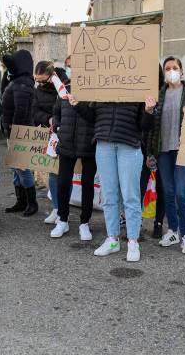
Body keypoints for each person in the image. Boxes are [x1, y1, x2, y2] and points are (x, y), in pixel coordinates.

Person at [69, 94, 156, 262]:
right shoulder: (103, 90)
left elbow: (146, 126)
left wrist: (149, 110)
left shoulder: (137, 90)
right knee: (109, 195)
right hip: (104, 146)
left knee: (130, 196)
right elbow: (92, 117)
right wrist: (78, 105)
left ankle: (132, 241)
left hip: (129, 147)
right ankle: (112, 239)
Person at [146, 56, 185, 253]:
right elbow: (152, 125)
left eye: (175, 67)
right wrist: (150, 151)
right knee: (168, 192)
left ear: (182, 71)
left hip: (183, 150)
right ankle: (173, 230)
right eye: (168, 68)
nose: (171, 71)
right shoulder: (158, 94)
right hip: (163, 150)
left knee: (180, 192)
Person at [49, 70, 97, 240]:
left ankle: (85, 222)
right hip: (67, 142)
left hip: (89, 143)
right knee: (63, 182)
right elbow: (56, 112)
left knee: (87, 184)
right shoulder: (64, 89)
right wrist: (55, 123)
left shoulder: (95, 91)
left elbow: (96, 117)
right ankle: (63, 219)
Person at [1, 50, 38, 217]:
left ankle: (31, 203)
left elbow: (21, 112)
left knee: (22, 168)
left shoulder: (22, 84)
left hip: (19, 132)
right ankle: (21, 200)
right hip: (15, 132)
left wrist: (15, 132)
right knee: (16, 168)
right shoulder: (18, 81)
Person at [31, 61, 62, 223]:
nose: (40, 83)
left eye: (43, 80)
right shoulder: (38, 90)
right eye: (37, 80)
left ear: (52, 75)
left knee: (66, 174)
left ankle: (64, 210)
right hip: (51, 135)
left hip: (67, 132)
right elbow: (35, 111)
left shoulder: (65, 84)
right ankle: (57, 209)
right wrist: (48, 119)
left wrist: (58, 121)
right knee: (54, 172)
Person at [140, 65, 166, 239]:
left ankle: (158, 223)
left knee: (162, 187)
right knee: (139, 186)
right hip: (141, 146)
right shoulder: (139, 92)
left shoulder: (166, 92)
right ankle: (137, 222)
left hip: (162, 147)